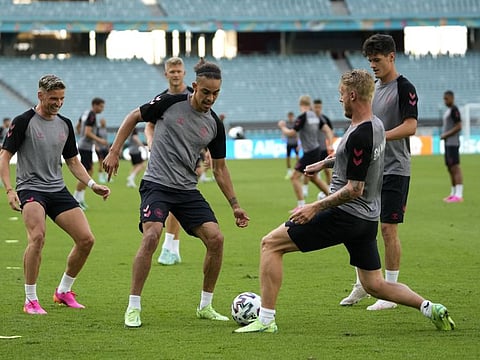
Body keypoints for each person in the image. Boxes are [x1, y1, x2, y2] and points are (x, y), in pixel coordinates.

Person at [234, 69, 454, 334]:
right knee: (374, 284)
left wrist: (314, 207)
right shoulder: (376, 125)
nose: (340, 100)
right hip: (367, 220)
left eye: (341, 95)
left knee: (270, 244)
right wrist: (325, 163)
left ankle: (266, 320)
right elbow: (353, 157)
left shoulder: (361, 132)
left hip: (345, 215)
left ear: (352, 95)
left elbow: (354, 188)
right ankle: (430, 308)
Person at [102, 58, 250, 328]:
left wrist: (235, 205)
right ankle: (133, 306)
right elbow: (134, 116)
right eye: (206, 92)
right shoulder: (169, 102)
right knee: (152, 235)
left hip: (186, 190)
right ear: (194, 86)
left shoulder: (215, 125)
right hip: (157, 184)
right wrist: (113, 151)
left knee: (216, 239)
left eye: (216, 93)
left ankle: (205, 306)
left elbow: (219, 169)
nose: (210, 98)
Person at [0, 74, 110, 315]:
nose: (58, 103)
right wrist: (9, 190)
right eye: (53, 98)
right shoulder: (23, 121)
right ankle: (30, 299)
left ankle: (63, 291)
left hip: (57, 189)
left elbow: (72, 161)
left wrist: (92, 184)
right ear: (40, 95)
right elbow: (5, 156)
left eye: (61, 98)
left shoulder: (65, 124)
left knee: (86, 239)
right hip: (30, 188)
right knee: (37, 238)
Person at [339, 34, 418, 311]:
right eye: (370, 60)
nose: (373, 65)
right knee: (361, 227)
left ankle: (390, 293)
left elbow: (411, 126)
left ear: (392, 57)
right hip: (373, 168)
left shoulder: (404, 88)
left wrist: (380, 137)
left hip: (396, 169)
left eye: (377, 60)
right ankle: (363, 284)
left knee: (387, 229)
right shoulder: (372, 88)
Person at [146, 57, 195, 266]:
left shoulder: (193, 97)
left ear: (184, 73)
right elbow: (149, 125)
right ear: (166, 74)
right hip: (164, 157)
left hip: (189, 156)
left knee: (178, 200)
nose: (175, 74)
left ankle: (171, 247)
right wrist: (150, 142)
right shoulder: (160, 99)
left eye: (179, 71)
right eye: (172, 71)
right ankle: (170, 247)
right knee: (172, 199)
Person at [278, 95, 333, 213]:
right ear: (310, 104)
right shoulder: (316, 117)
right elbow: (328, 130)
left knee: (294, 177)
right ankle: (332, 197)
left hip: (310, 152)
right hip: (316, 150)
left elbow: (292, 133)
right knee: (313, 177)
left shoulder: (303, 117)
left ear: (301, 105)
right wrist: (330, 144)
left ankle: (301, 205)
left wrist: (282, 127)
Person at [73, 97, 107, 210]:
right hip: (86, 147)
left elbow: (78, 127)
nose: (102, 109)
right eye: (101, 106)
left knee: (89, 171)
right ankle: (76, 199)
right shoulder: (92, 115)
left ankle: (80, 199)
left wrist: (80, 136)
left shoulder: (85, 113)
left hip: (83, 145)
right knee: (86, 173)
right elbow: (88, 132)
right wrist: (99, 140)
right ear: (95, 105)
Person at [441, 90, 464, 203]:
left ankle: (459, 195)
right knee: (450, 168)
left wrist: (446, 134)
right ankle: (453, 193)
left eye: (446, 98)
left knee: (455, 167)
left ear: (452, 98)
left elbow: (459, 126)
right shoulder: (449, 110)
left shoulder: (454, 110)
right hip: (448, 143)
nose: (445, 101)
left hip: (453, 143)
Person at [313, 99, 334, 190]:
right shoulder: (309, 119)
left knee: (327, 170)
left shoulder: (325, 119)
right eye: (316, 107)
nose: (317, 109)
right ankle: (304, 188)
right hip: (312, 149)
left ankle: (328, 189)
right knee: (310, 170)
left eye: (319, 107)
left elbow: (330, 131)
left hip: (322, 148)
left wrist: (330, 144)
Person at [283, 111, 299, 180]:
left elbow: (296, 133)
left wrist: (299, 143)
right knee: (288, 158)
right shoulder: (286, 124)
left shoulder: (296, 123)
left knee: (298, 158)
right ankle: (289, 172)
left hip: (295, 143)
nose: (290, 118)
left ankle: (299, 171)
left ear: (293, 116)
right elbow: (285, 133)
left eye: (291, 116)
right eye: (289, 117)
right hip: (289, 143)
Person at [95, 118, 109, 184]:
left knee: (107, 163)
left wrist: (108, 147)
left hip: (105, 148)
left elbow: (106, 139)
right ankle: (100, 177)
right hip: (99, 148)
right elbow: (95, 139)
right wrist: (96, 146)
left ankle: (107, 176)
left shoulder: (105, 129)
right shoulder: (98, 130)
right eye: (102, 121)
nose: (104, 122)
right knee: (100, 162)